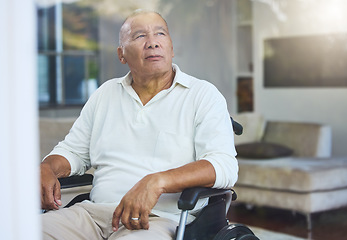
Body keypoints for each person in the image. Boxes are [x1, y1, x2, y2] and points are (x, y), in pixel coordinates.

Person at [40, 10, 238, 240]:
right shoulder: (105, 94)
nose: (152, 43)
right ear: (121, 54)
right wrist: (47, 167)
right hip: (92, 214)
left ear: (172, 48)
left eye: (160, 34)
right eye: (140, 36)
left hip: (160, 220)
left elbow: (223, 165)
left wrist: (157, 181)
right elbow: (73, 152)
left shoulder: (203, 95)